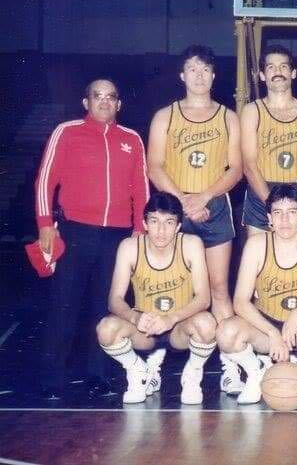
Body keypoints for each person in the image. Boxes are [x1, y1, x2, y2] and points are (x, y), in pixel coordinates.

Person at [35, 78, 149, 399]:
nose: (104, 101)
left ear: (119, 104)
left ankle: (99, 374)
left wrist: (140, 233)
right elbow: (46, 180)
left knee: (105, 306)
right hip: (75, 231)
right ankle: (52, 378)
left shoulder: (132, 139)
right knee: (64, 305)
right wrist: (45, 223)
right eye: (97, 96)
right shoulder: (66, 132)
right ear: (86, 102)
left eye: (111, 97)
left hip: (116, 237)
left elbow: (141, 190)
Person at [147, 45, 243, 394]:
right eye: (192, 69)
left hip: (214, 204)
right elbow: (154, 165)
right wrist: (183, 203)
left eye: (205, 70)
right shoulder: (165, 116)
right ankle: (154, 359)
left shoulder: (228, 117)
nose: (199, 76)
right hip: (172, 209)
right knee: (167, 285)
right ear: (182, 75)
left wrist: (204, 196)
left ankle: (231, 362)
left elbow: (236, 168)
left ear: (214, 76)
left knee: (218, 288)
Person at [216, 184, 297, 405]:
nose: (284, 220)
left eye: (291, 212)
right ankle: (255, 372)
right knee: (225, 331)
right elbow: (240, 301)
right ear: (269, 218)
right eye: (278, 213)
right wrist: (272, 333)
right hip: (267, 327)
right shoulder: (257, 245)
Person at [96, 192, 216, 405]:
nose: (161, 230)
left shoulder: (191, 244)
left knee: (207, 324)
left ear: (179, 226)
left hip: (179, 327)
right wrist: (135, 317)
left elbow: (204, 298)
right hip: (145, 329)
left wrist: (171, 319)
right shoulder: (129, 247)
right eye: (154, 221)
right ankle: (137, 371)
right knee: (106, 328)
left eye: (169, 222)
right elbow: (114, 300)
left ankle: (192, 374)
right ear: (145, 224)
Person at [240, 44, 297, 234]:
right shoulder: (252, 111)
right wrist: (273, 206)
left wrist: (295, 206)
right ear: (262, 75)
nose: (278, 71)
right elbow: (249, 166)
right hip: (262, 191)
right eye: (271, 67)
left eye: (284, 66)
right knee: (260, 259)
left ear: (293, 73)